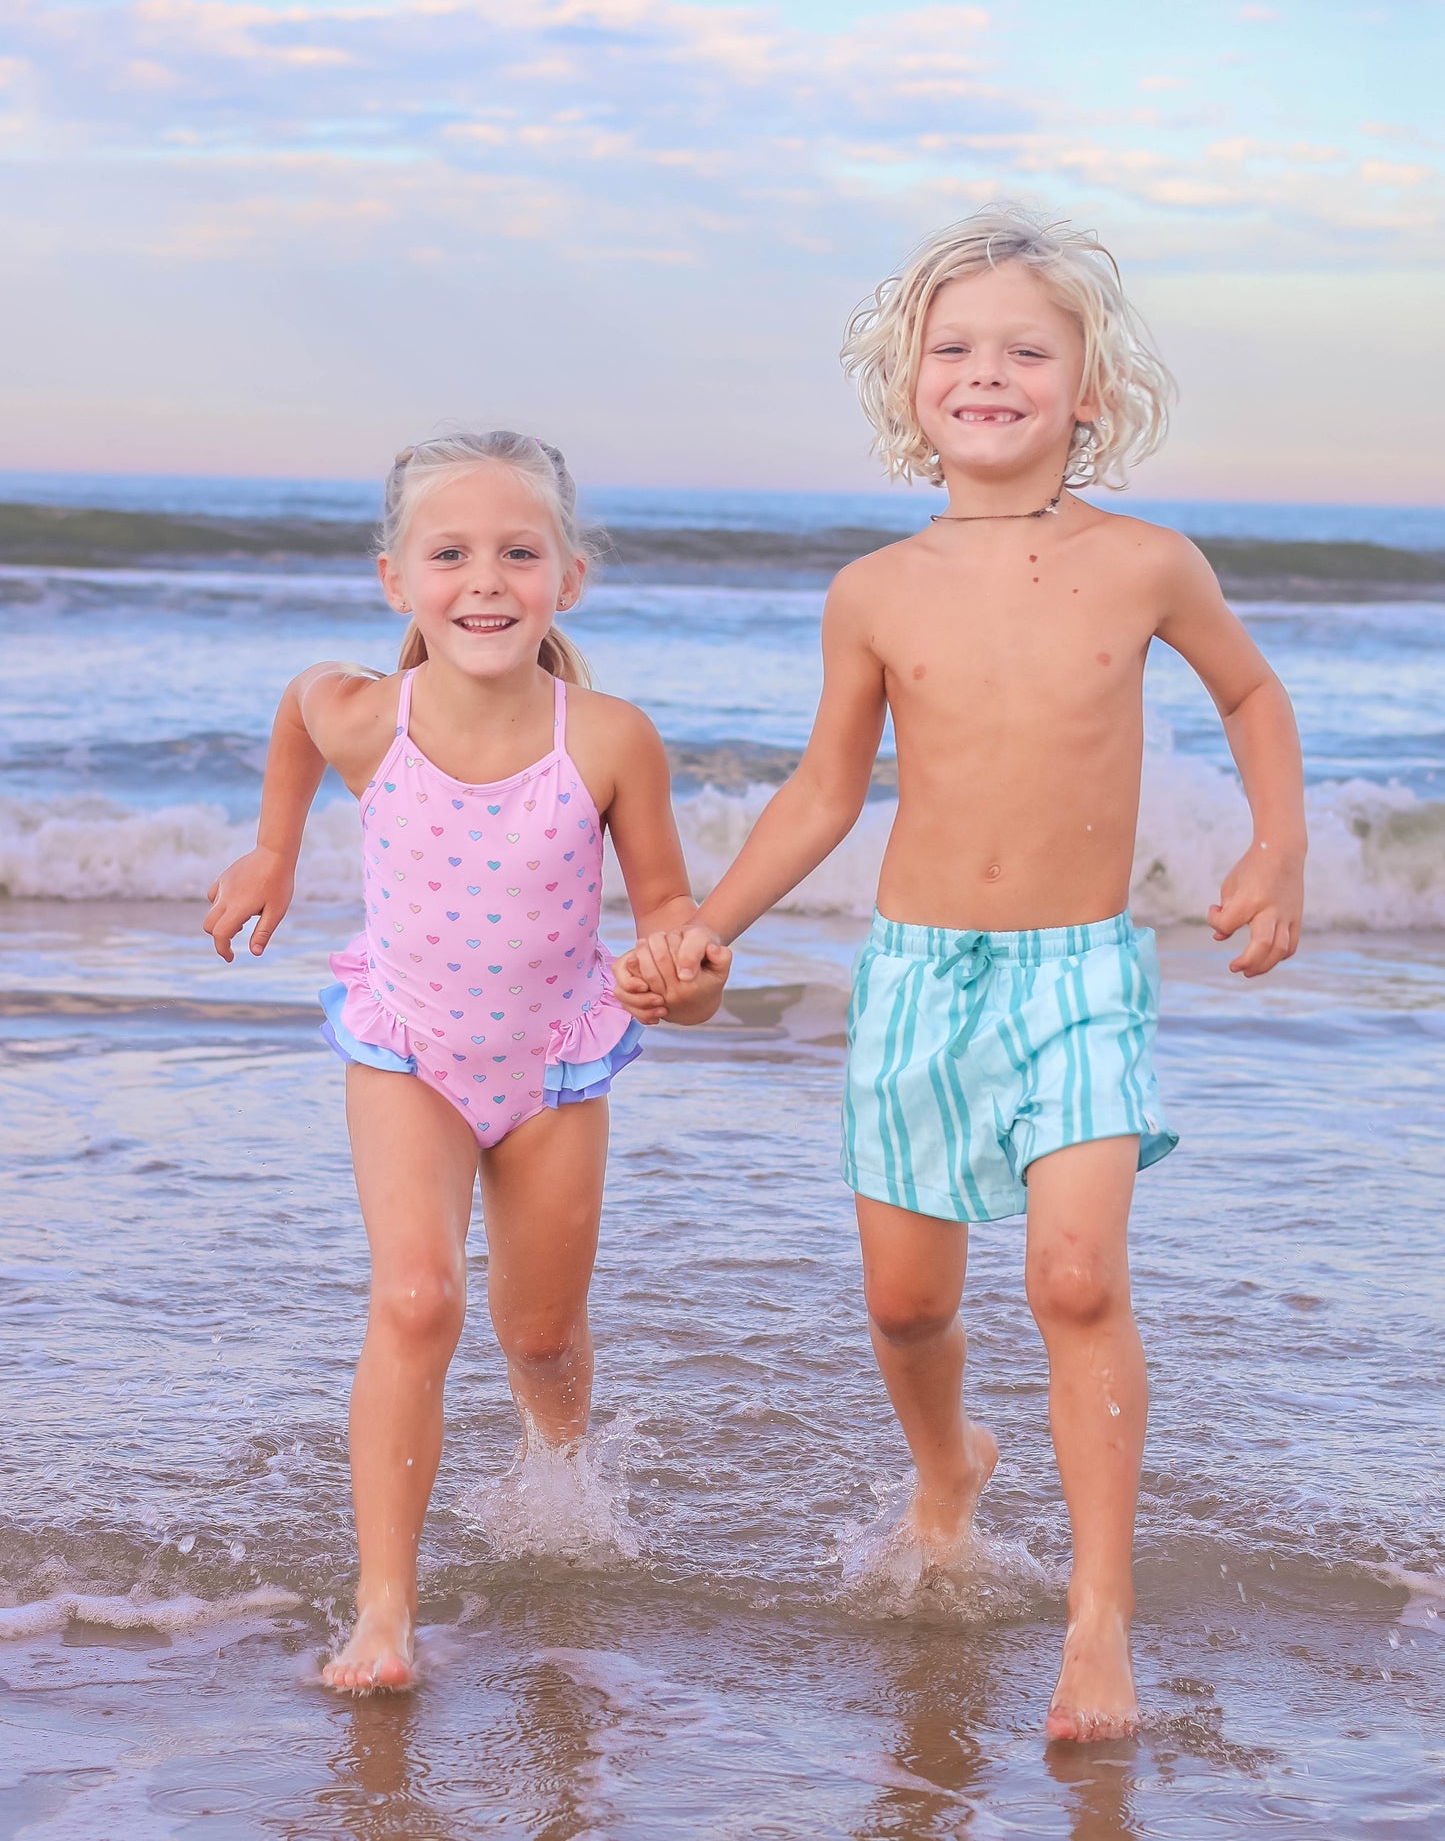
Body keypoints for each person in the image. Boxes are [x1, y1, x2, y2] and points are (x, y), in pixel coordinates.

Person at [615, 206, 1306, 1742]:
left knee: (1076, 1280)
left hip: (1081, 975)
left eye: (1025, 351)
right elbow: (823, 792)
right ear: (908, 384)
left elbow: (1253, 693)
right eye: (954, 349)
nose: (986, 372)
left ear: (1089, 391)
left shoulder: (1147, 563)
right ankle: (950, 1467)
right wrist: (708, 923)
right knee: (906, 1305)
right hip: (918, 976)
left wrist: (1278, 849)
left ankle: (1097, 1617)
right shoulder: (874, 589)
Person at [204, 430, 728, 1693]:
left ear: (569, 577)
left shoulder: (609, 738)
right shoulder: (363, 717)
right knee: (417, 1299)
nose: (484, 579)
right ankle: (383, 1610)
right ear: (396, 578)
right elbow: (298, 705)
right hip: (409, 1052)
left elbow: (667, 909)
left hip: (551, 1068)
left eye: (517, 552)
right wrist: (274, 847)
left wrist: (688, 972)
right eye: (449, 554)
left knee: (538, 1335)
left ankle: (559, 1478)